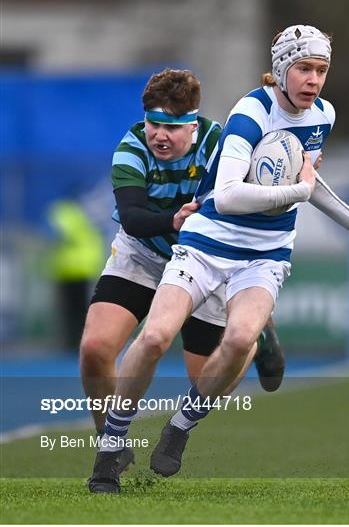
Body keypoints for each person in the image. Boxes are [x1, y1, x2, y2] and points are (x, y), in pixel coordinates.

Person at [88, 25, 349, 493]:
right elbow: (231, 197)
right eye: (303, 69)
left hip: (266, 254)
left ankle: (179, 428)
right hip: (207, 242)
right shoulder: (252, 112)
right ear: (280, 69)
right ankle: (110, 448)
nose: (313, 80)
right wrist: (300, 190)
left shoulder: (323, 115)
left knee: (237, 343)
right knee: (153, 336)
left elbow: (306, 178)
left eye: (321, 70)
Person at [81, 69, 284, 483]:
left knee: (210, 380)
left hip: (203, 256)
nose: (160, 135)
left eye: (172, 127)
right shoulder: (131, 146)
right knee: (95, 346)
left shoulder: (219, 142)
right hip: (144, 254)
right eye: (154, 124)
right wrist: (172, 219)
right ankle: (112, 445)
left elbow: (263, 177)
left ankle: (256, 332)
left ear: (193, 123)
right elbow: (134, 217)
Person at [47, 198, 104, 350]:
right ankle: (75, 341)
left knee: (74, 310)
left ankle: (74, 341)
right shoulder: (84, 216)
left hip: (74, 270)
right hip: (76, 270)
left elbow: (56, 236)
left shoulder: (64, 215)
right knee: (76, 310)